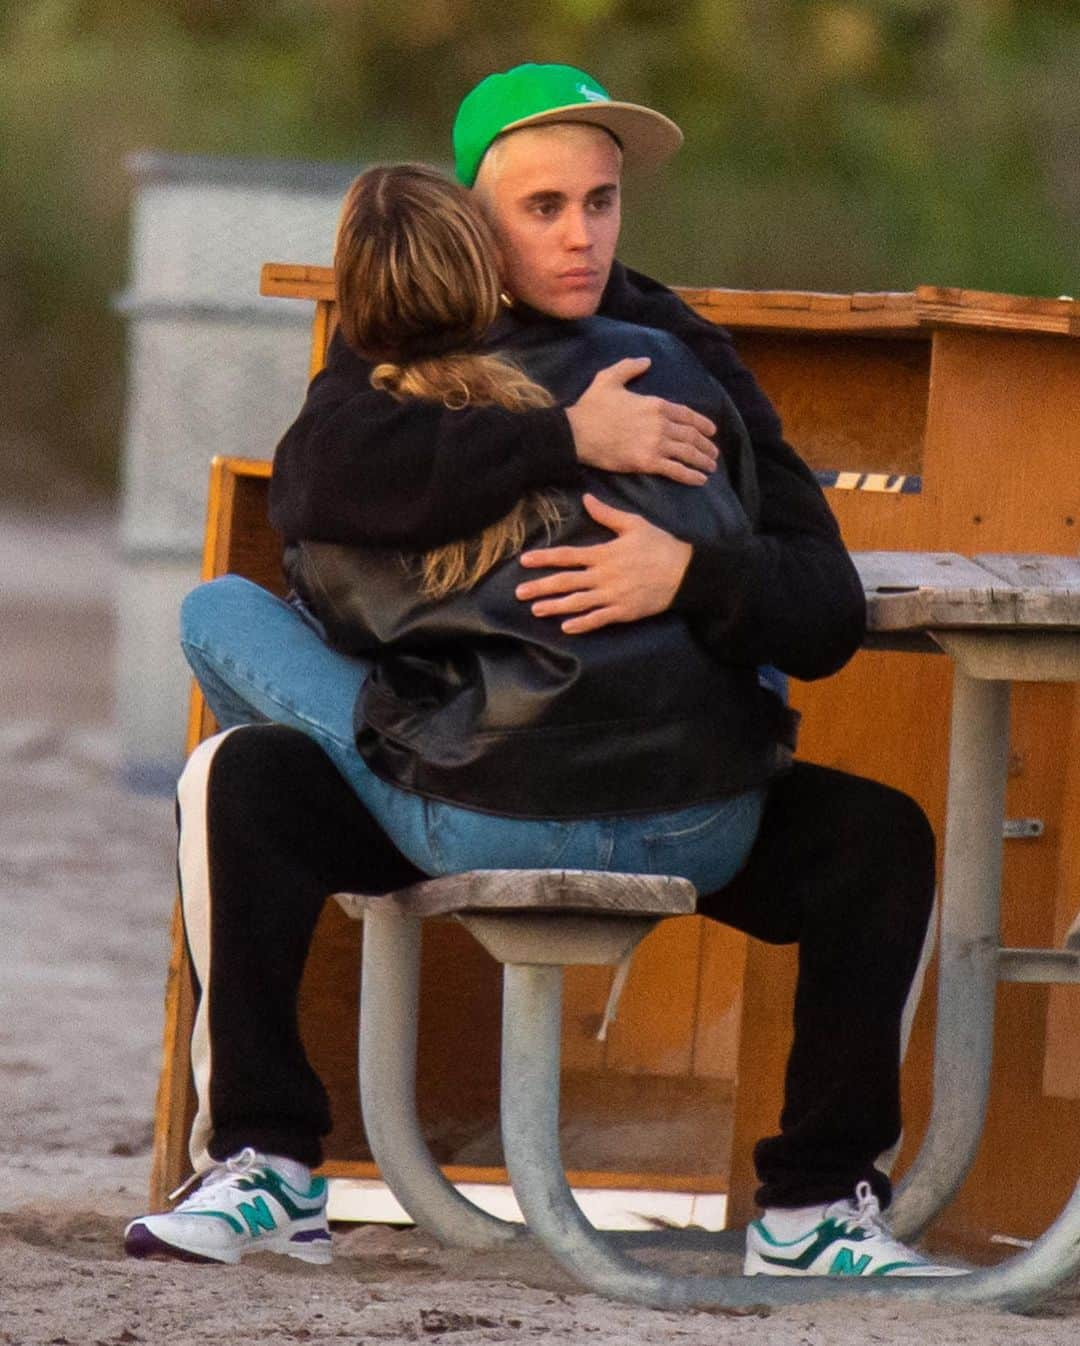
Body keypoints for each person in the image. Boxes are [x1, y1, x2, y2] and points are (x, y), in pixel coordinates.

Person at [126, 64, 956, 1279]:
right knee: (247, 781)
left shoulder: (677, 344)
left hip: (502, 801)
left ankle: (817, 1203)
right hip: (626, 802)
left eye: (601, 202)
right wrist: (565, 438)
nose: (580, 236)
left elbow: (821, 606)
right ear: (471, 213)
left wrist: (688, 577)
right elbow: (322, 475)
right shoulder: (417, 327)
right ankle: (268, 1160)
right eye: (543, 206)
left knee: (879, 840)